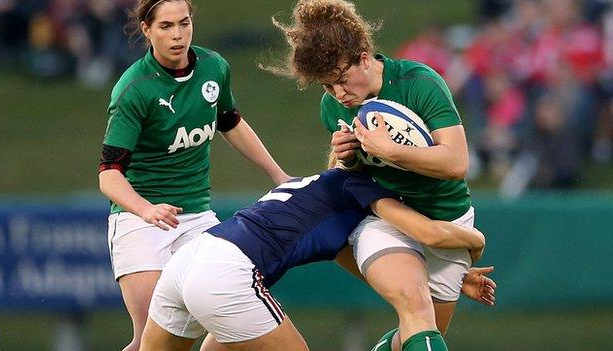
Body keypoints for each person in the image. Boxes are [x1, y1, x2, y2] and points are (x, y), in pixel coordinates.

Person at [266, 1, 484, 350]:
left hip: (447, 218)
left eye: (341, 80)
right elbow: (349, 178)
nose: (339, 94)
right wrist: (347, 158)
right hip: (385, 218)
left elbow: (456, 163)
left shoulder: (419, 82)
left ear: (364, 57)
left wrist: (390, 150)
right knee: (415, 307)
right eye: (327, 87)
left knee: (418, 336)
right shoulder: (333, 106)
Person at [97, 1, 289, 350]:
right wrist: (146, 210)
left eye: (184, 24)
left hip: (198, 217)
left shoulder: (214, 67)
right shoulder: (134, 88)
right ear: (147, 29)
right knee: (149, 341)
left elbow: (230, 123)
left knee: (234, 308)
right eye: (166, 26)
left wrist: (279, 175)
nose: (177, 35)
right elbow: (109, 176)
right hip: (140, 222)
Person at [139, 168, 490, 351]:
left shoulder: (318, 187)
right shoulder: (361, 187)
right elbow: (431, 234)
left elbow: (372, 265)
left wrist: (452, 276)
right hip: (228, 275)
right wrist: (476, 240)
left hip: (191, 260)